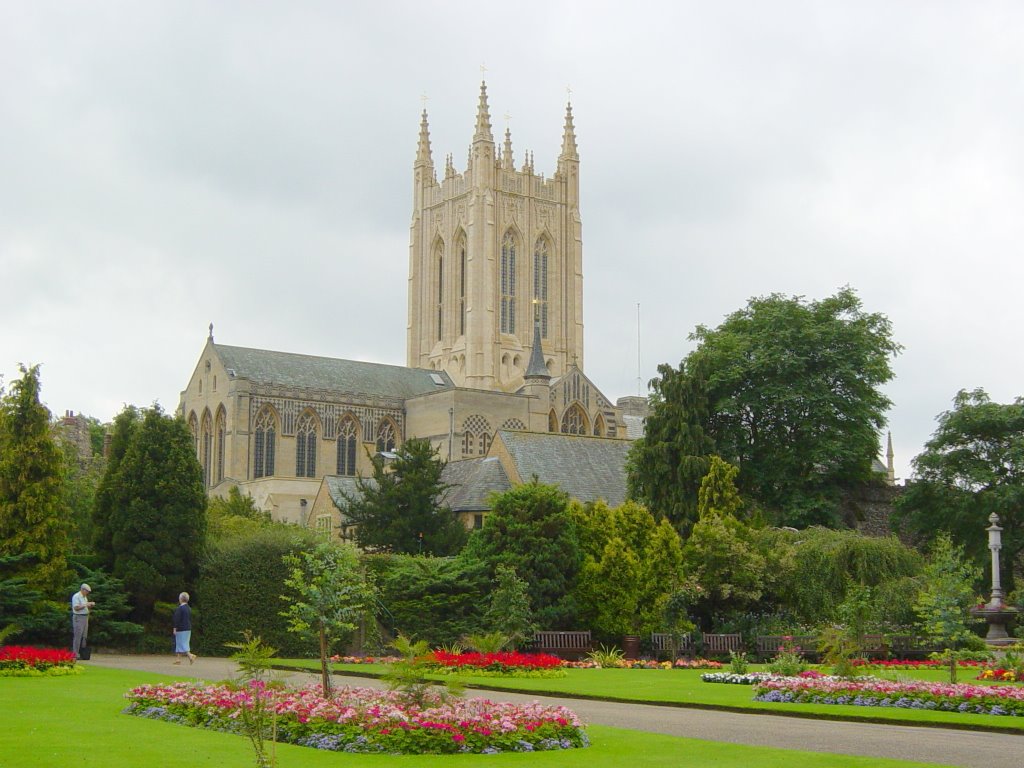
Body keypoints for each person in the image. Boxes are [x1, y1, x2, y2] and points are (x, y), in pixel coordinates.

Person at [71, 583, 95, 659]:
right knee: (78, 636)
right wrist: (86, 605)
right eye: (87, 591)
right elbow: (76, 608)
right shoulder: (76, 596)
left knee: (84, 636)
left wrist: (89, 606)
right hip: (78, 617)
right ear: (82, 589)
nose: (87, 593)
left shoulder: (85, 597)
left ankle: (82, 653)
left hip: (85, 617)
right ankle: (75, 653)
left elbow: (85, 607)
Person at [172, 592, 196, 665]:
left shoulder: (180, 608)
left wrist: (175, 628)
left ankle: (190, 655)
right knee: (180, 643)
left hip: (181, 629)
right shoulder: (189, 608)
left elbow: (177, 619)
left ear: (180, 599)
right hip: (188, 628)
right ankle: (178, 659)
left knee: (182, 644)